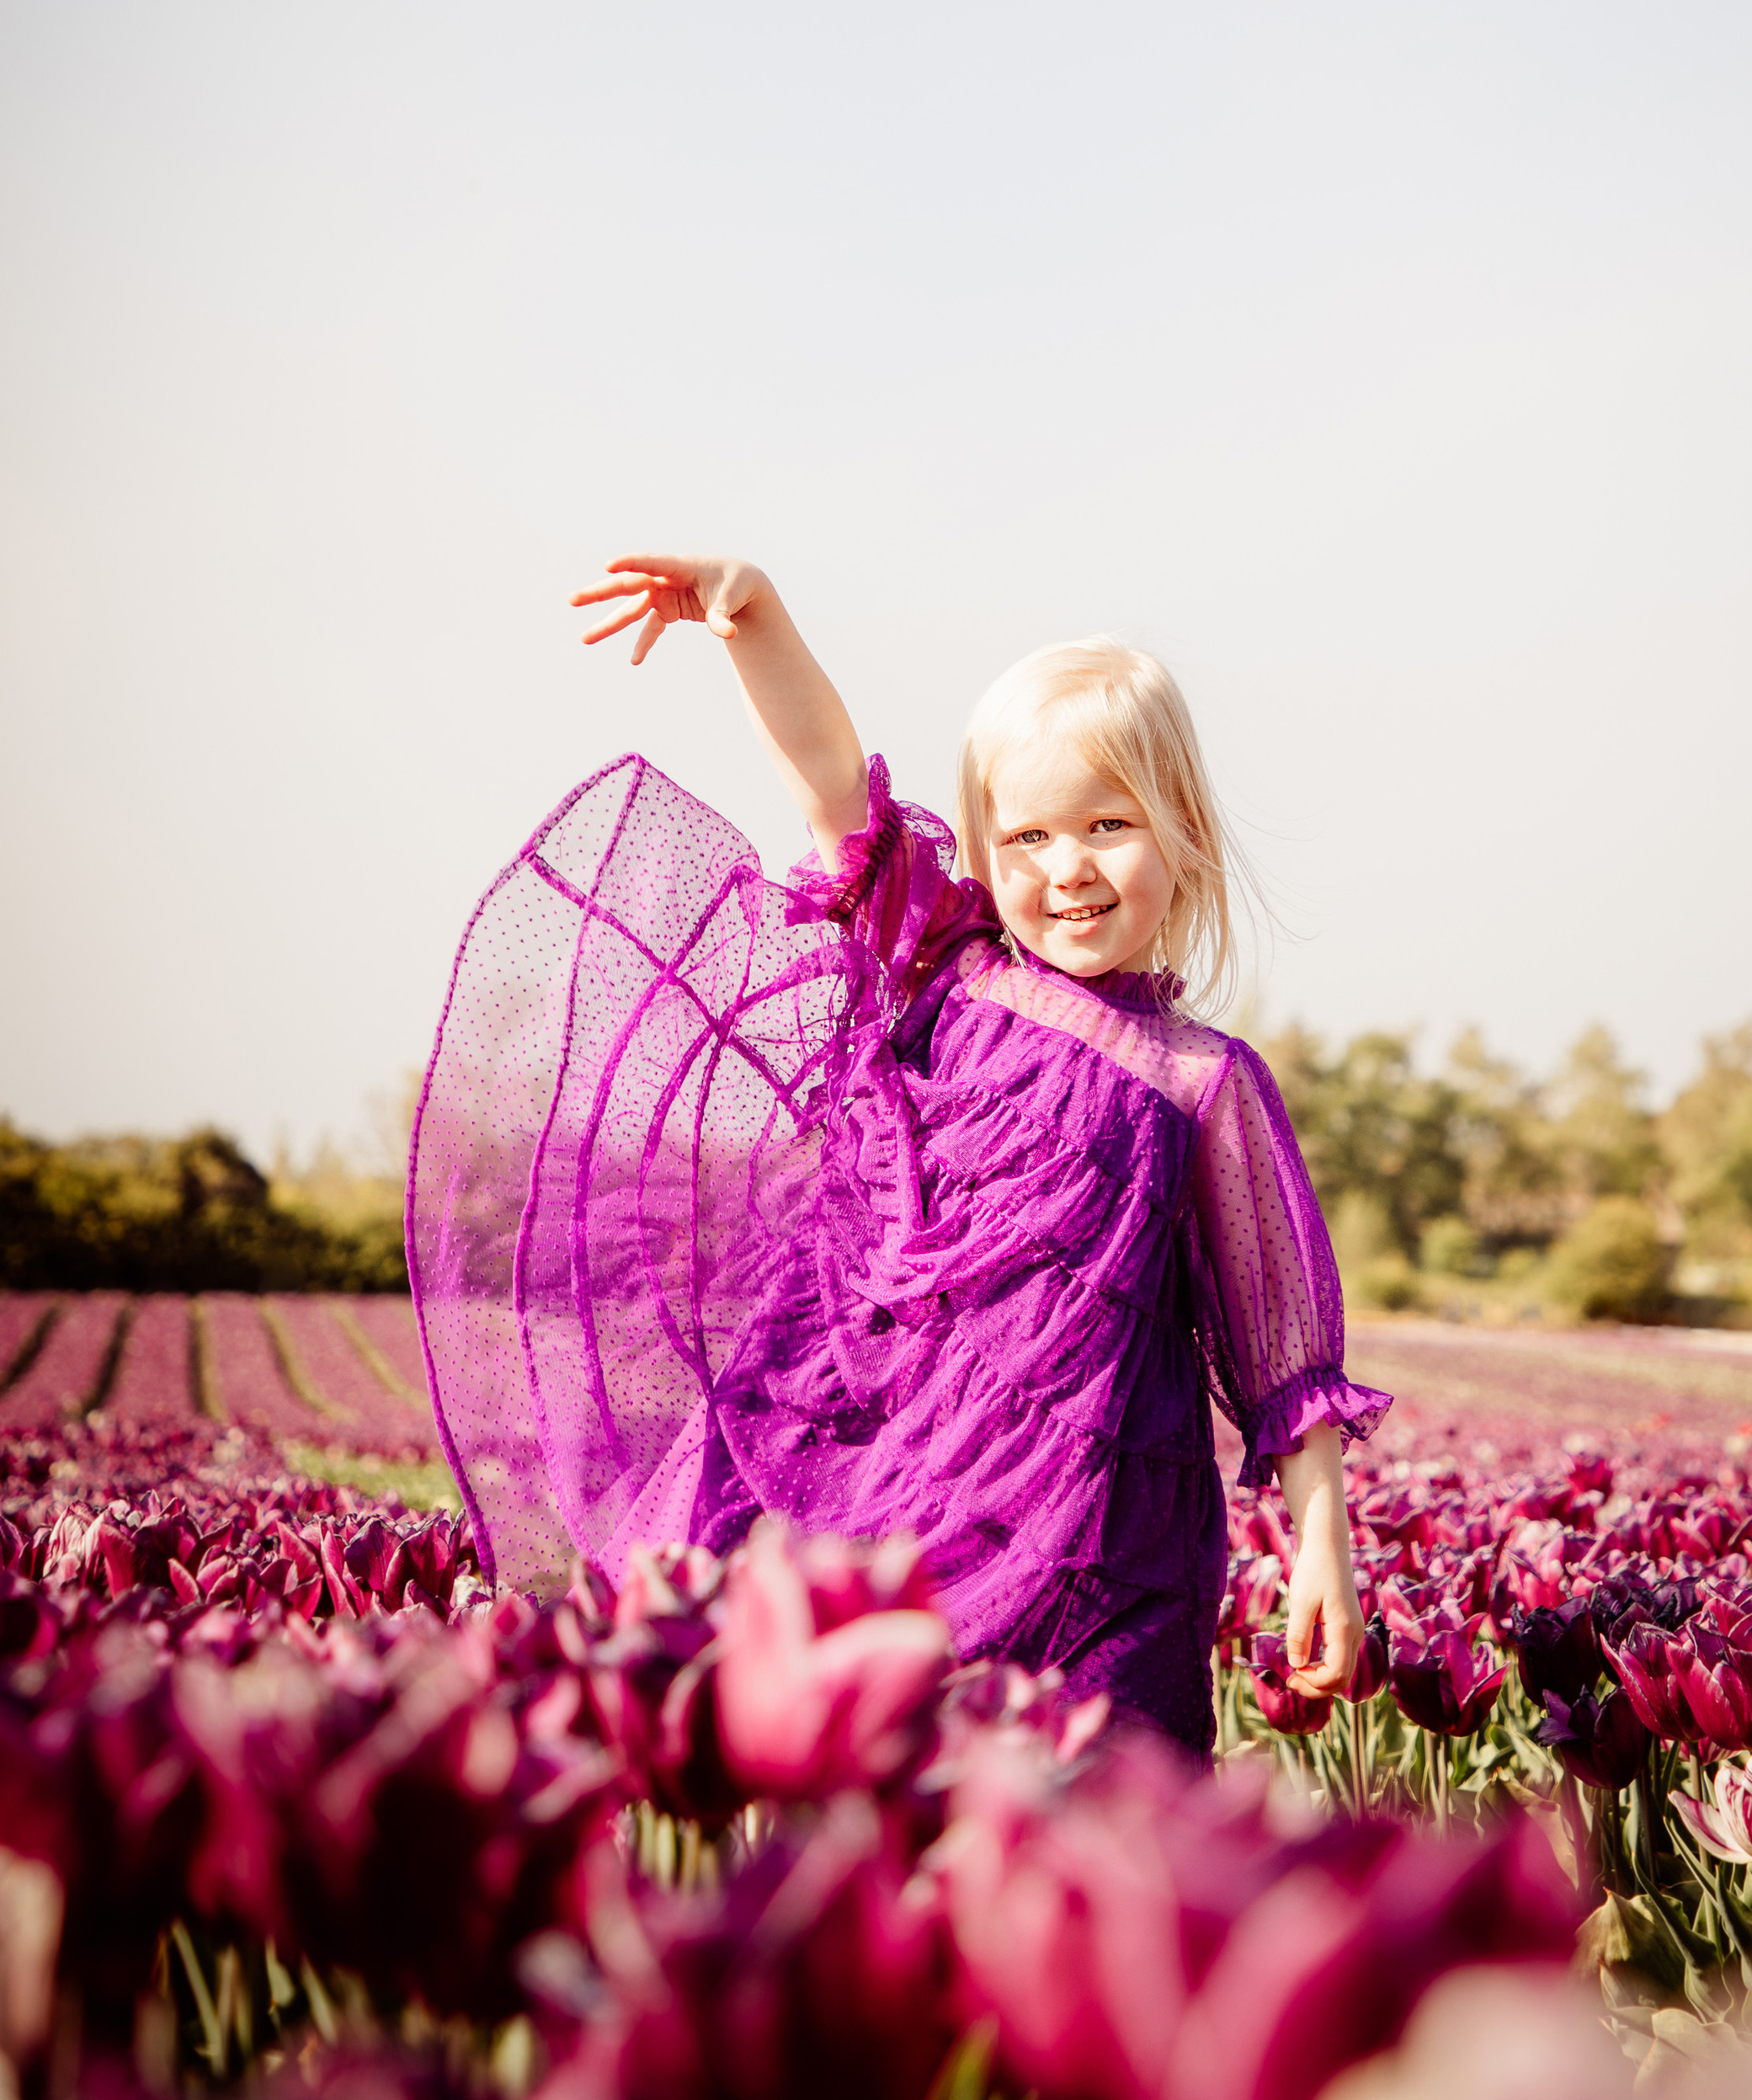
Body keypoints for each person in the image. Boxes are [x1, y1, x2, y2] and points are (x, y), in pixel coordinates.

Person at [407, 551, 1387, 1759]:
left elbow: (1285, 1355)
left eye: (1109, 824)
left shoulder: (1203, 1084)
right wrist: (753, 619)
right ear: (984, 849)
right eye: (1025, 835)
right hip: (889, 1484)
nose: (1066, 868)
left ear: (1181, 835)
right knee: (859, 1800)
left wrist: (1321, 1555)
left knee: (1090, 1832)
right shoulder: (946, 967)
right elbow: (835, 793)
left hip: (1102, 1544)